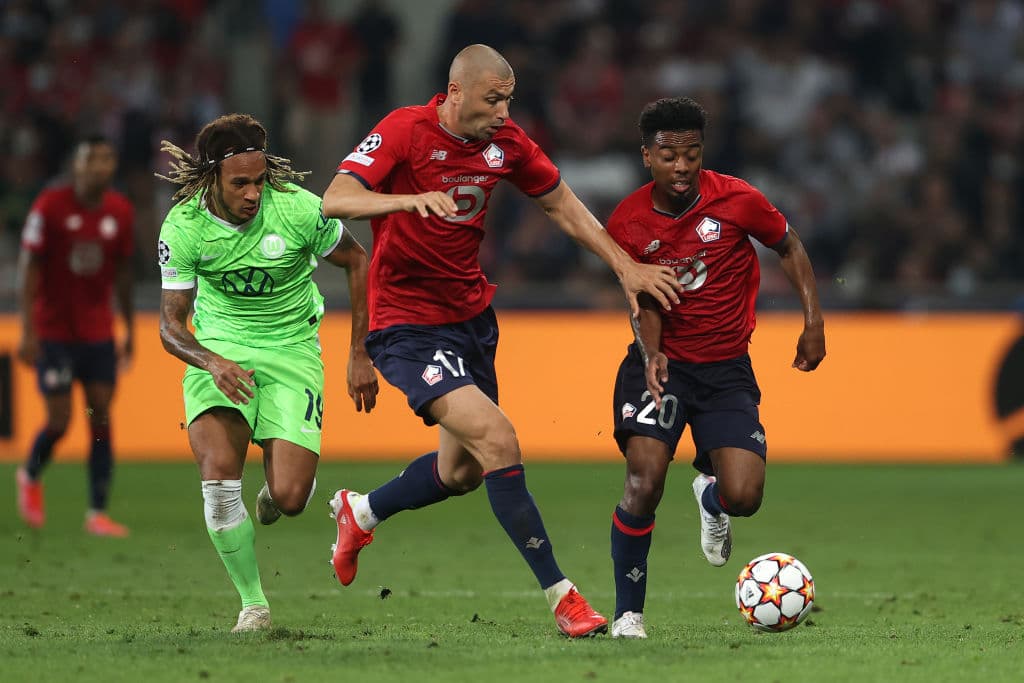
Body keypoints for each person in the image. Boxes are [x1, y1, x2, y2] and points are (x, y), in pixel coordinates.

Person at [321, 44, 683, 639]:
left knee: (461, 471)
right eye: (493, 98)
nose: (503, 110)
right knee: (499, 439)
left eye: (508, 99)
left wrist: (623, 266)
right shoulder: (404, 130)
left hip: (470, 320)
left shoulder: (507, 143)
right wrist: (406, 199)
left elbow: (561, 204)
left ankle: (360, 512)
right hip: (406, 322)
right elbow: (335, 198)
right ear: (456, 91)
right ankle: (564, 598)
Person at [605, 96, 826, 639]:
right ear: (646, 157)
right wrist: (652, 353)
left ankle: (711, 496)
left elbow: (789, 245)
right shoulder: (627, 221)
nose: (680, 166)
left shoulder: (738, 199)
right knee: (645, 479)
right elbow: (644, 300)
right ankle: (629, 613)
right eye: (668, 155)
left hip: (726, 370)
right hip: (659, 365)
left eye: (691, 153)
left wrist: (814, 321)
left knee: (745, 496)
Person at [155, 113, 378, 633]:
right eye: (240, 183)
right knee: (217, 476)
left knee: (292, 499)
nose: (254, 193)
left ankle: (273, 494)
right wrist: (212, 360)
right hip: (221, 352)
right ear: (212, 178)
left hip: (292, 350)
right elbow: (169, 327)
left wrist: (359, 352)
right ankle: (253, 604)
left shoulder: (299, 210)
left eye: (259, 180)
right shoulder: (184, 226)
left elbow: (359, 260)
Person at [15, 135, 135, 537]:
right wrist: (28, 329)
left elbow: (123, 275)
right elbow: (29, 267)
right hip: (54, 333)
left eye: (106, 159)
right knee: (61, 420)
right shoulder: (50, 206)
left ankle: (97, 512)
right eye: (91, 159)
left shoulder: (120, 211)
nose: (99, 167)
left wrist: (129, 329)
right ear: (77, 165)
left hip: (98, 332)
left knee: (100, 415)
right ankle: (30, 474)